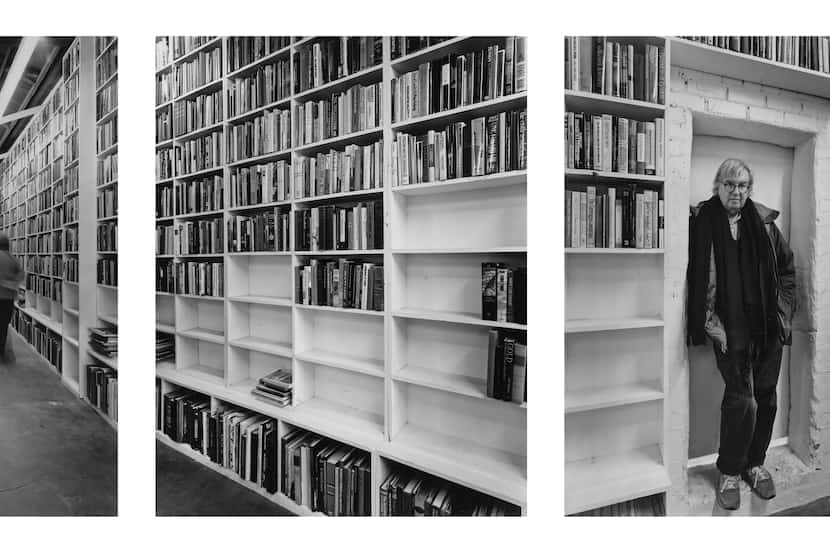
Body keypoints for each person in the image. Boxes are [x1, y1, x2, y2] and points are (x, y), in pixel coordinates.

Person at [687, 158, 796, 511]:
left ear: (750, 190)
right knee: (741, 400)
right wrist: (707, 323)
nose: (737, 191)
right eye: (730, 184)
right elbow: (696, 278)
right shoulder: (701, 222)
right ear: (717, 186)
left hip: (767, 329)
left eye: (743, 185)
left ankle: (755, 463)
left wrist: (782, 311)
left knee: (766, 397)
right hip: (728, 331)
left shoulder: (763, 224)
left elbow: (788, 268)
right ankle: (730, 470)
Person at [0, 232, 24, 362]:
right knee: (3, 325)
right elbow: (21, 275)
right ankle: (2, 351)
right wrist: (11, 283)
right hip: (7, 298)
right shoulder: (12, 258)